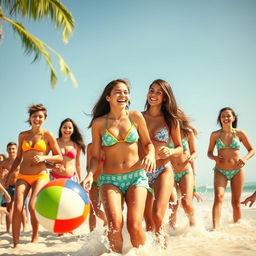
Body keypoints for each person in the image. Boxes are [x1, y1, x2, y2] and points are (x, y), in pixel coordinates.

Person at [83, 79, 155, 253]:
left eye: (125, 92)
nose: (123, 95)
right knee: (114, 225)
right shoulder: (99, 123)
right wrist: (90, 175)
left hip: (136, 177)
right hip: (109, 179)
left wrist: (151, 155)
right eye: (118, 92)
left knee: (134, 225)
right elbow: (95, 156)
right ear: (108, 97)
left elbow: (148, 144)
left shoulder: (136, 117)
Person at [4, 104, 63, 247]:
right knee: (18, 207)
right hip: (23, 175)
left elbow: (59, 156)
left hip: (40, 175)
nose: (37, 119)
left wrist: (44, 158)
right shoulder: (22, 135)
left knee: (31, 205)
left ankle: (35, 235)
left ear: (45, 119)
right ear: (30, 118)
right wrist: (9, 175)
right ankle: (15, 243)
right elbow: (18, 158)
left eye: (40, 116)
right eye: (34, 116)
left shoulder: (47, 135)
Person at [141, 79, 182, 242]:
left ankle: (164, 249)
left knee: (157, 215)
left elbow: (180, 148)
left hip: (163, 170)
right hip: (141, 173)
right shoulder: (138, 117)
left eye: (159, 92)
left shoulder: (171, 120)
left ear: (165, 97)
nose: (154, 94)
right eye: (152, 90)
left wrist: (170, 150)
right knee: (148, 222)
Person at [207, 107, 255, 229]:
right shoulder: (215, 135)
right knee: (218, 197)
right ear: (220, 119)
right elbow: (209, 153)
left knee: (236, 203)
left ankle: (237, 229)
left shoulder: (240, 133)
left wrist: (244, 159)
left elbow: (252, 150)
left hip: (237, 171)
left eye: (228, 116)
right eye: (223, 116)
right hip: (220, 171)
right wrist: (215, 158)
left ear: (233, 118)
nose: (226, 118)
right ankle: (216, 229)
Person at [168, 108, 199, 228]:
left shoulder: (187, 132)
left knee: (186, 203)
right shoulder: (165, 131)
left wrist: (193, 157)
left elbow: (194, 151)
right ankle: (172, 230)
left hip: (186, 171)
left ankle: (194, 227)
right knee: (173, 204)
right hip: (170, 173)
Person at [0, 142, 27, 233]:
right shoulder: (3, 162)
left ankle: (24, 227)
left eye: (13, 149)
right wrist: (3, 183)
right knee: (9, 208)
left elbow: (26, 174)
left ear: (16, 149)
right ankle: (8, 229)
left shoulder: (21, 160)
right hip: (8, 187)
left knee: (20, 207)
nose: (11, 150)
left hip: (19, 185)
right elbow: (0, 176)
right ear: (7, 150)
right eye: (10, 149)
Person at [49, 118, 86, 183]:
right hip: (54, 177)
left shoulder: (77, 144)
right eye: (65, 127)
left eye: (70, 128)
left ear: (73, 130)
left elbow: (78, 164)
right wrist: (52, 166)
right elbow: (44, 157)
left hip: (72, 179)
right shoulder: (54, 142)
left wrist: (80, 180)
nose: (67, 130)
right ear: (61, 128)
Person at [86, 143, 107, 232]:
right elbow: (88, 165)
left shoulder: (110, 146)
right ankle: (91, 234)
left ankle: (107, 224)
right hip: (94, 181)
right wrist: (88, 176)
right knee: (93, 209)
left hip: (107, 182)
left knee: (108, 208)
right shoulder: (91, 146)